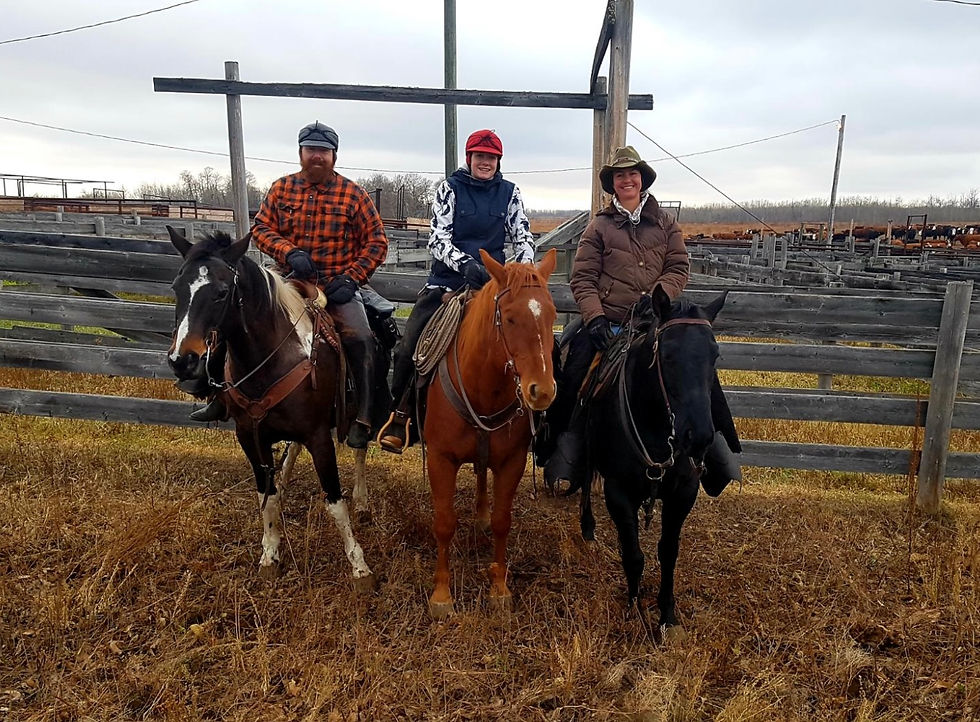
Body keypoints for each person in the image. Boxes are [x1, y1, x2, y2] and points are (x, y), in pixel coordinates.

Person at [541, 145, 740, 491]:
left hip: (657, 320)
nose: (627, 179)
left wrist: (658, 297)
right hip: (610, 321)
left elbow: (679, 267)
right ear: (613, 183)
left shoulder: (665, 222)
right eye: (620, 175)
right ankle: (564, 454)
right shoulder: (599, 227)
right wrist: (595, 318)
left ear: (642, 178)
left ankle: (716, 453)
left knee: (699, 371)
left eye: (632, 173)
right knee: (574, 376)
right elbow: (583, 279)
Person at [189, 121, 388, 450]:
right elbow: (262, 228)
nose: (317, 157)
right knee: (232, 320)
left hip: (336, 284)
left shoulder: (355, 195)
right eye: (311, 150)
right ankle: (217, 394)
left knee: (362, 337)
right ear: (300, 153)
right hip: (286, 281)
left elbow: (377, 243)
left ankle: (364, 417)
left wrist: (351, 278)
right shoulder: (281, 189)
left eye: (323, 151)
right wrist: (289, 252)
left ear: (334, 156)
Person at [376, 129, 536, 453]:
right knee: (410, 345)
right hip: (448, 283)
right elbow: (438, 238)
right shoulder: (449, 189)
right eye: (480, 156)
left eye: (491, 158)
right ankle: (400, 415)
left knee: (536, 341)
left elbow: (524, 238)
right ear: (469, 158)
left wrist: (521, 272)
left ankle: (541, 425)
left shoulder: (510, 193)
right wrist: (463, 264)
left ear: (498, 161)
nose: (485, 162)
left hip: (495, 286)